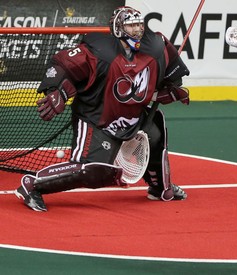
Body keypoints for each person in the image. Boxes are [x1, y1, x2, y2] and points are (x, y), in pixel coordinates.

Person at [14, 6, 190, 212]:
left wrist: (169, 89)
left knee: (155, 134)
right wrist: (56, 91)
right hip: (97, 119)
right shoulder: (100, 51)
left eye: (139, 25)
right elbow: (62, 64)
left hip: (133, 116)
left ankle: (160, 186)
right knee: (94, 172)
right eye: (130, 26)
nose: (137, 30)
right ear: (118, 29)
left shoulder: (157, 46)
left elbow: (172, 75)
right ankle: (31, 185)